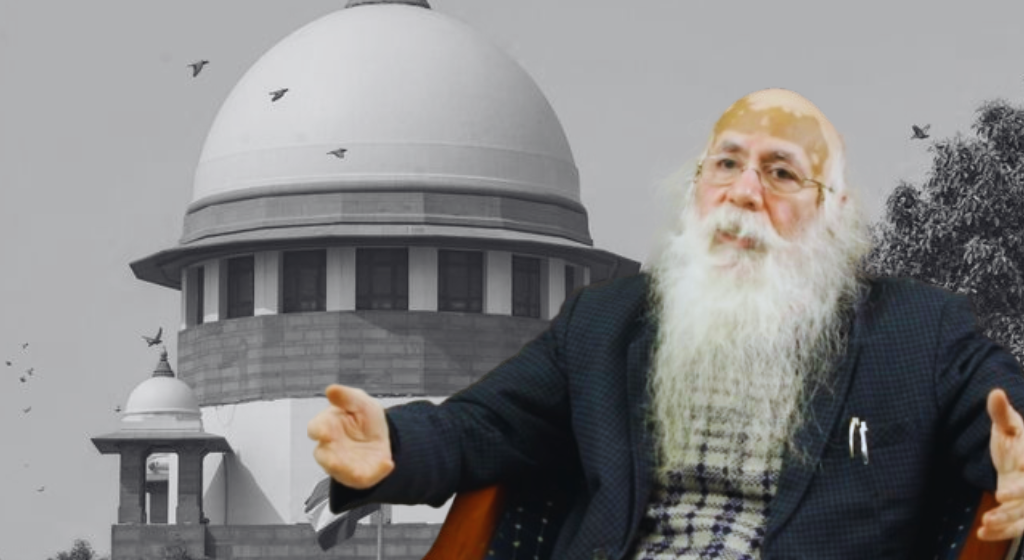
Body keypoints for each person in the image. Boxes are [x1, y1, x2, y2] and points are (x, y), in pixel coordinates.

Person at [307, 88, 1024, 559]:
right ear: (695, 191)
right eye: (727, 164)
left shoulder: (916, 331)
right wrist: (391, 445)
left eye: (781, 173)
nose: (744, 192)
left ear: (832, 211)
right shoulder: (605, 323)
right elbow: (483, 426)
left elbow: (1005, 419)